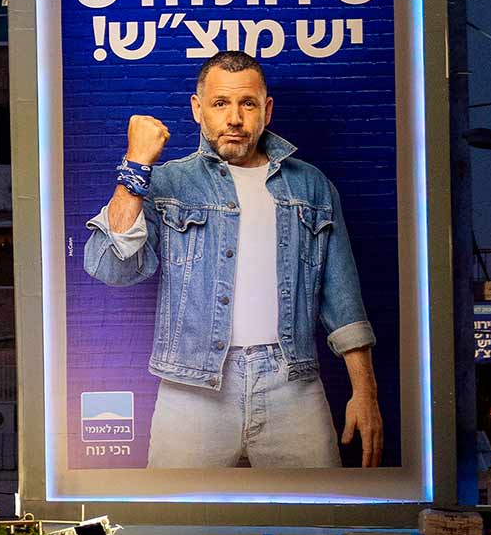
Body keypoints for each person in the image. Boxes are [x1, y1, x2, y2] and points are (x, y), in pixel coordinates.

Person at [81, 51, 381, 468]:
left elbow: (343, 298)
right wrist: (135, 166)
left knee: (315, 521)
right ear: (198, 109)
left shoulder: (312, 187)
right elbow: (109, 266)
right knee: (176, 526)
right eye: (220, 103)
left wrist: (364, 394)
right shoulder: (166, 182)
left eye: (248, 104)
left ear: (267, 110)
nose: (234, 118)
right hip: (191, 387)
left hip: (291, 382)